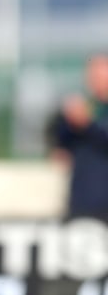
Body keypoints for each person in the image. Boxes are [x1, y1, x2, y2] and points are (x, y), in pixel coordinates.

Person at [50, 54, 108, 223]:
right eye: (92, 74)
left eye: (100, 73)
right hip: (83, 201)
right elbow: (61, 143)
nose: (95, 79)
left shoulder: (89, 116)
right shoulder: (85, 106)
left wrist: (87, 124)